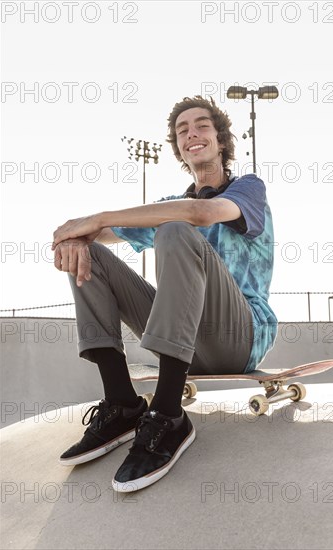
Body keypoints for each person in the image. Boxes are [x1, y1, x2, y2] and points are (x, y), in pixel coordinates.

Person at [52, 95, 278, 492]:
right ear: (177, 148)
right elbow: (107, 234)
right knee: (93, 255)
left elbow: (200, 213)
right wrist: (75, 238)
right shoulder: (170, 205)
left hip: (238, 337)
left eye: (202, 126)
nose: (192, 133)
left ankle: (169, 414)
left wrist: (98, 217)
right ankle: (122, 403)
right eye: (182, 130)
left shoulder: (247, 189)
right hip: (187, 339)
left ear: (221, 140)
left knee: (174, 228)